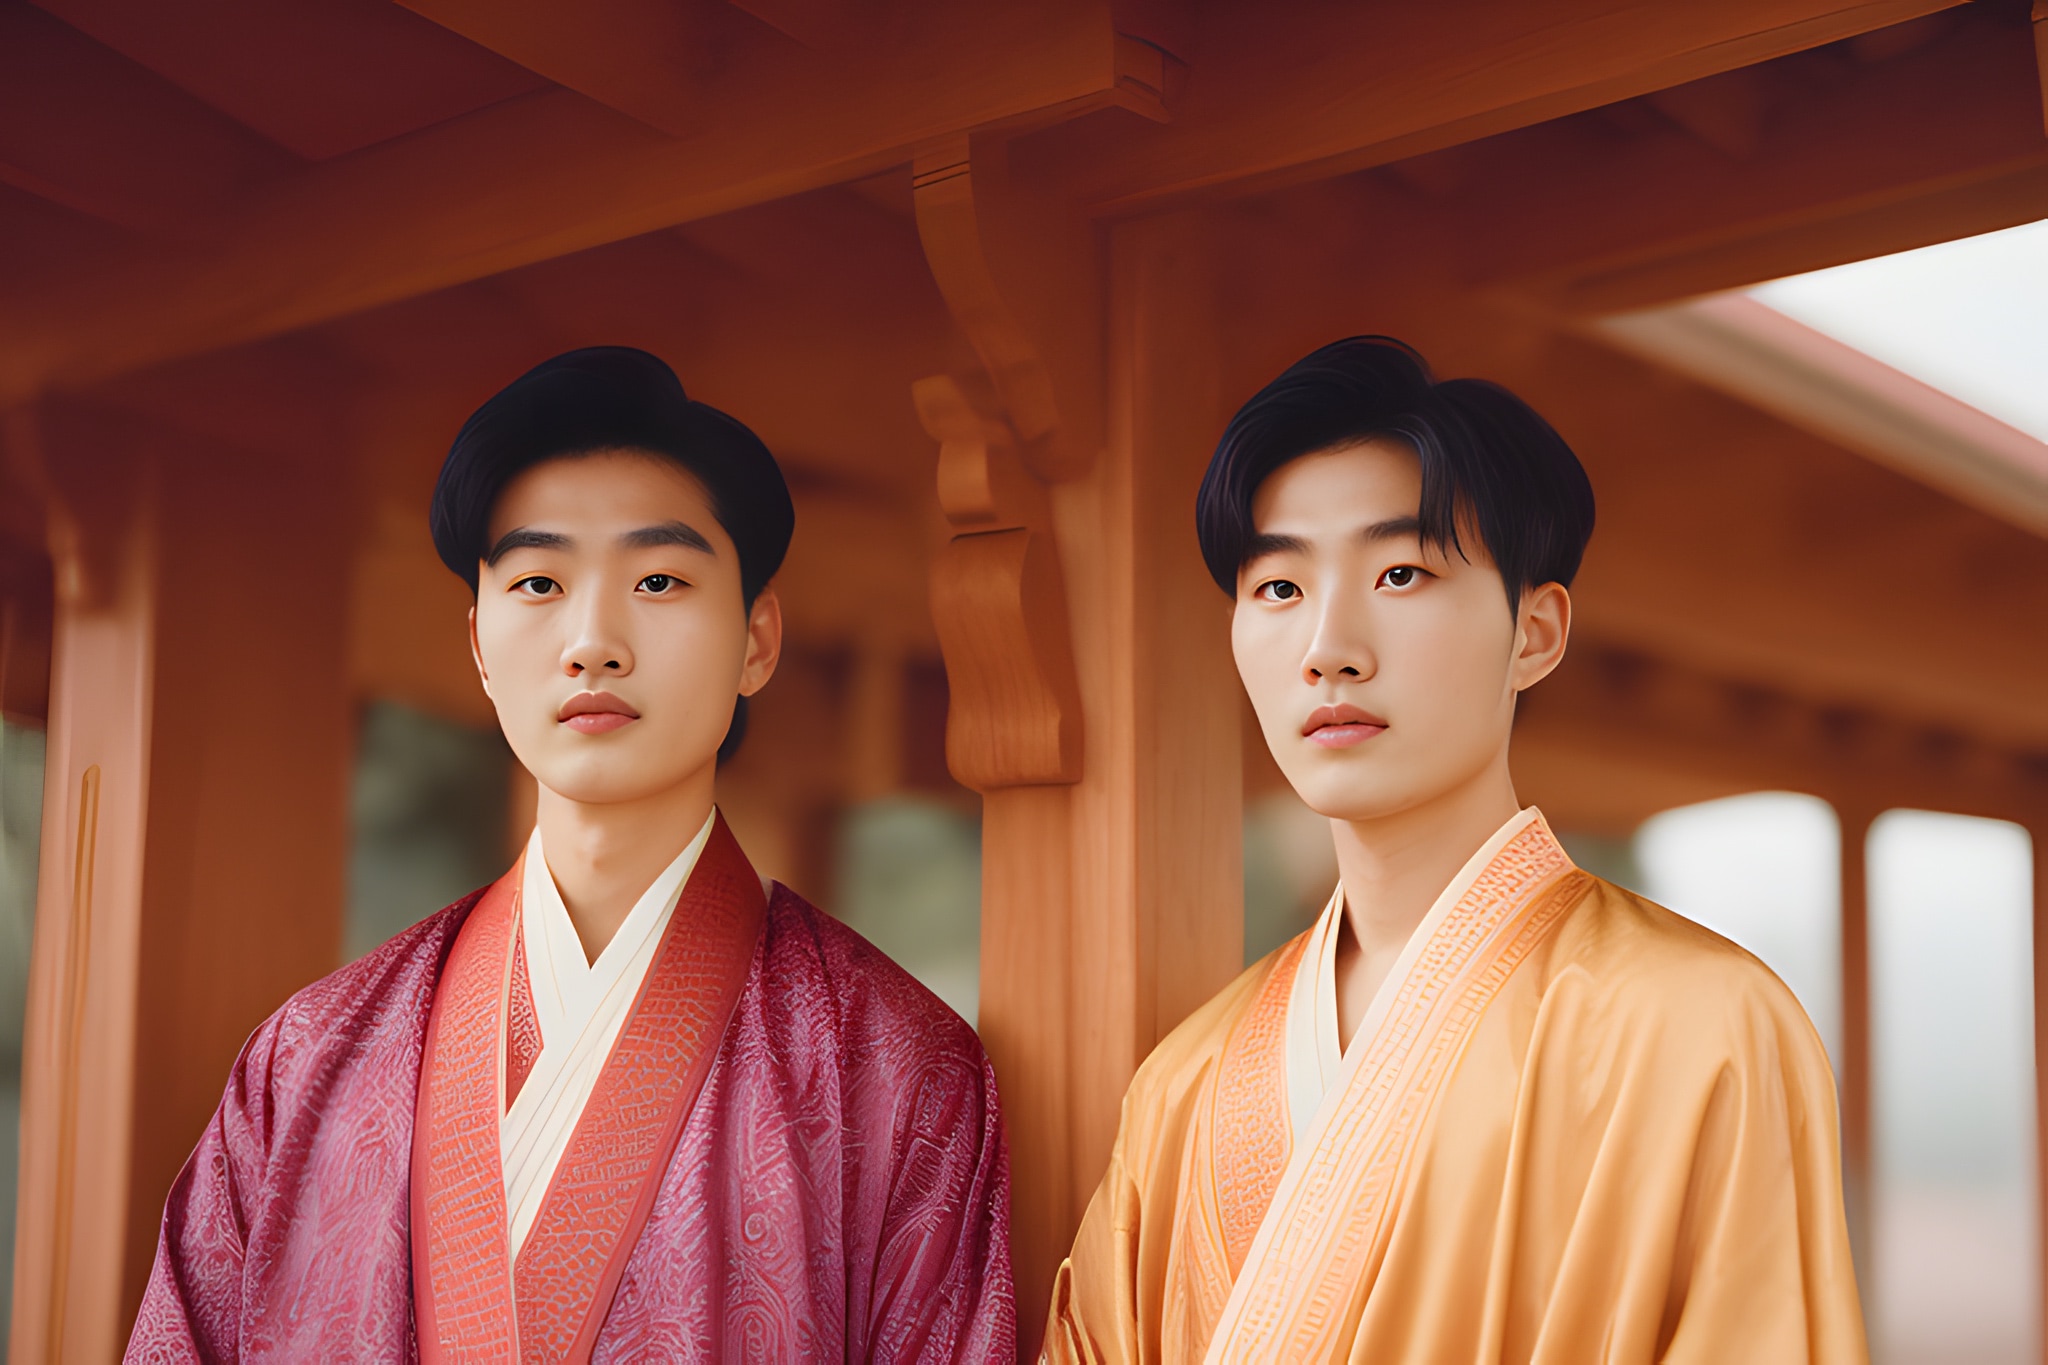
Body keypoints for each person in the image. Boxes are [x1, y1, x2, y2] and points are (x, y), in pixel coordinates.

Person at [128, 347, 1016, 1362]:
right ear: (478, 641)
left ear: (756, 641)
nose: (593, 640)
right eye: (541, 581)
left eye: (658, 579)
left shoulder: (895, 1067)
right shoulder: (307, 1059)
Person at [1043, 337, 1864, 1363]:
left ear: (1534, 632)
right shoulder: (1184, 1080)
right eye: (1278, 589)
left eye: (1399, 571)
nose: (1327, 647)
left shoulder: (1704, 1028)